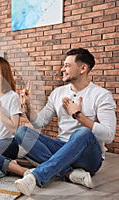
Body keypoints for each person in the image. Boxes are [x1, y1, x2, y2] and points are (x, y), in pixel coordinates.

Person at [14, 48, 117, 196]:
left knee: (83, 132)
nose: (62, 69)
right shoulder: (58, 93)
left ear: (83, 68)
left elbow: (108, 135)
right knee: (21, 132)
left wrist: (79, 116)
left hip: (89, 158)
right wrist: (28, 108)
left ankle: (36, 176)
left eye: (67, 65)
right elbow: (39, 122)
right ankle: (69, 173)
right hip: (61, 147)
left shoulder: (101, 95)